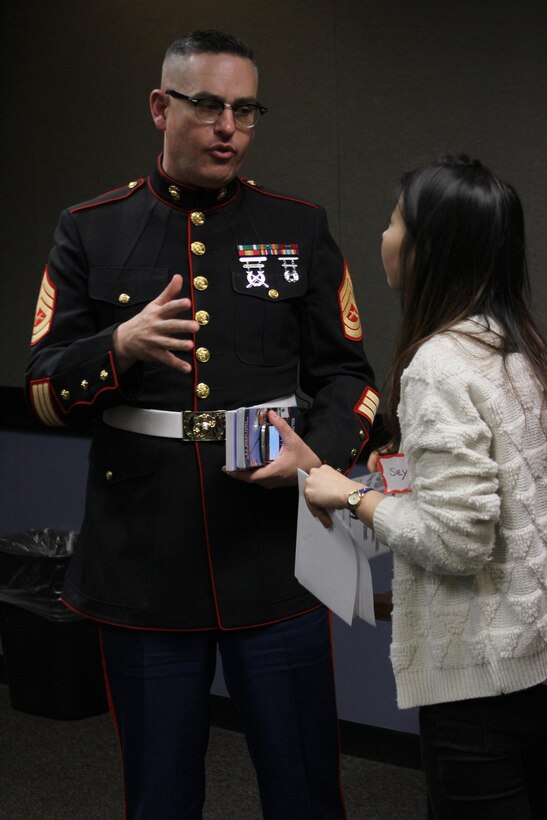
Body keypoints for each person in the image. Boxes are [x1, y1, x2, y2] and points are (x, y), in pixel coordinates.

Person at [25, 29, 380, 820]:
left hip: (273, 553)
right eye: (209, 105)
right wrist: (114, 347)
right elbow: (44, 389)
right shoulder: (91, 227)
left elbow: (350, 379)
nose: (229, 126)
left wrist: (314, 459)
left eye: (245, 110)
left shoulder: (298, 226)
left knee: (304, 787)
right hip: (144, 557)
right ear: (160, 107)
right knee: (159, 791)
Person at [303, 155, 547, 819]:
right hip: (530, 658)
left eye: (391, 221)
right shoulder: (515, 345)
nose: (382, 236)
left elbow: (455, 540)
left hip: (479, 683)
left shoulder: (436, 365)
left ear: (426, 248)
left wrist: (350, 497)